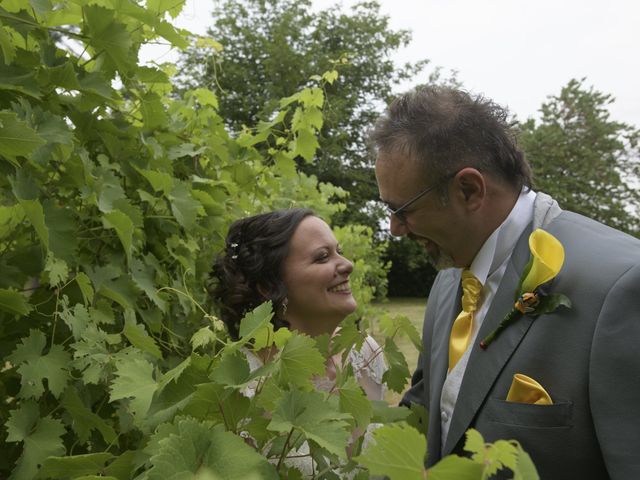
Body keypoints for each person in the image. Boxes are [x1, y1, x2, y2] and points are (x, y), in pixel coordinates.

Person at [371, 86, 640, 479]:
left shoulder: (620, 287)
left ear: (469, 189)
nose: (395, 229)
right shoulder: (448, 283)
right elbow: (429, 414)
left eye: (403, 210)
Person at [210, 207, 386, 399]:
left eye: (339, 251)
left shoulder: (365, 353)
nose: (348, 265)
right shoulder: (243, 389)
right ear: (268, 287)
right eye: (322, 257)